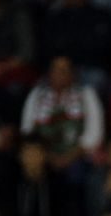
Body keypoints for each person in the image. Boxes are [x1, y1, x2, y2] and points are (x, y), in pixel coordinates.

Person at [20, 55, 104, 187]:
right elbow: (27, 130)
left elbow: (94, 134)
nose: (59, 74)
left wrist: (69, 158)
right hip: (43, 156)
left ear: (73, 74)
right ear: (49, 73)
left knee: (78, 172)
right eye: (56, 70)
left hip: (77, 157)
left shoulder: (86, 94)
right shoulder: (37, 95)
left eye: (64, 70)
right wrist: (48, 156)